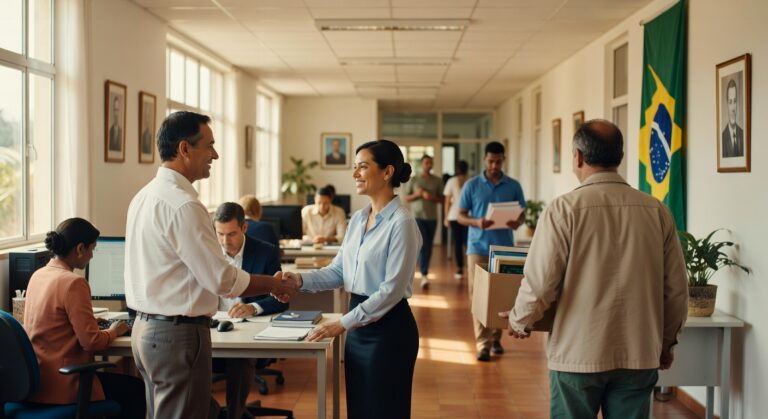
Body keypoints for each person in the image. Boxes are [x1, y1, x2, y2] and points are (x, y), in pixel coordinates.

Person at [501, 120, 688, 418]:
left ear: (577, 156)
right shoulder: (656, 210)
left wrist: (520, 320)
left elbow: (540, 283)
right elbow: (676, 289)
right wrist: (665, 343)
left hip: (578, 354)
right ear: (621, 157)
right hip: (639, 352)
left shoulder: (563, 210)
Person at [124, 111, 296, 419]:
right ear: (184, 149)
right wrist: (273, 283)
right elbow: (221, 279)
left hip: (146, 329)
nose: (215, 154)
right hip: (177, 335)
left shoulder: (144, 196)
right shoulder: (183, 204)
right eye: (209, 146)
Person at [283, 139, 421, 419]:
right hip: (359, 329)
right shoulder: (358, 219)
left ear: (387, 172)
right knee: (360, 409)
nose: (355, 174)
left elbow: (391, 291)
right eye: (354, 167)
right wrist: (298, 280)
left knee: (384, 411)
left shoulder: (402, 223)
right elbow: (339, 271)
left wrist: (341, 324)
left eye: (362, 167)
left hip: (389, 331)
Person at [23, 218, 145, 418]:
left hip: (37, 384)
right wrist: (114, 330)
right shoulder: (73, 283)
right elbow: (92, 342)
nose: (91, 256)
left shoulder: (38, 275)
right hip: (65, 385)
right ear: (80, 248)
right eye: (92, 250)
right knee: (135, 390)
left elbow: (54, 322)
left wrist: (89, 322)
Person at [212, 202, 287, 419]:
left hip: (245, 332)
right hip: (210, 326)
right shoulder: (208, 253)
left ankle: (234, 414)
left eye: (232, 234)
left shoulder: (266, 252)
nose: (225, 241)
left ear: (244, 228)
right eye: (220, 234)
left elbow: (281, 300)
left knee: (239, 358)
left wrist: (252, 307)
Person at [458, 141, 526, 362]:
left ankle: (496, 338)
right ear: (485, 160)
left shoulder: (513, 185)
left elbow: (522, 213)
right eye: (490, 161)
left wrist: (517, 222)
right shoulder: (471, 185)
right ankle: (483, 343)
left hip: (505, 247)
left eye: (498, 161)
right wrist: (477, 222)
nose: (494, 165)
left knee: (503, 294)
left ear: (503, 160)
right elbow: (460, 215)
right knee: (478, 296)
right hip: (477, 246)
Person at [405, 154, 443, 289]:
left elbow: (442, 199)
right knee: (423, 245)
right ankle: (424, 274)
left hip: (432, 218)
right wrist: (418, 194)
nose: (429, 165)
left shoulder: (438, 181)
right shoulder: (414, 180)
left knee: (429, 246)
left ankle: (423, 272)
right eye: (427, 162)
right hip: (417, 217)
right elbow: (407, 198)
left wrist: (430, 196)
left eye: (431, 163)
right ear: (422, 164)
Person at [443, 160, 469, 280]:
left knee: (458, 244)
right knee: (468, 243)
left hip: (454, 216)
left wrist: (446, 216)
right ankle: (470, 267)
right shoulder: (471, 180)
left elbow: (447, 200)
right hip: (469, 216)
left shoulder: (452, 181)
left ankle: (460, 269)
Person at [721, 79, 744, 158]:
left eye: (735, 101)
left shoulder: (742, 134)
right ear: (727, 104)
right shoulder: (722, 138)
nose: (733, 108)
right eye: (730, 102)